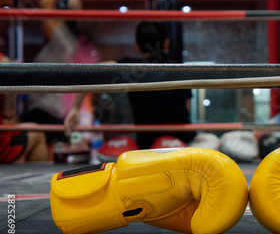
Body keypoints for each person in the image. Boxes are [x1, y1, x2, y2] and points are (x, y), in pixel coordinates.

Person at [65, 21, 195, 149]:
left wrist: (75, 108)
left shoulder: (131, 68)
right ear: (166, 43)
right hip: (184, 143)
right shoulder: (181, 70)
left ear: (137, 46)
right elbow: (187, 109)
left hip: (147, 146)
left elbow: (90, 73)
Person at [17, 0, 98, 145]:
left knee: (14, 132)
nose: (43, 27)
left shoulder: (64, 43)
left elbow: (46, 8)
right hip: (51, 113)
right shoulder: (66, 45)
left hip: (46, 113)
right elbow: (73, 11)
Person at [0, 53, 48, 163]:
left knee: (31, 127)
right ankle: (36, 179)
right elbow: (9, 113)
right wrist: (15, 82)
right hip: (1, 145)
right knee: (37, 133)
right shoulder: (3, 62)